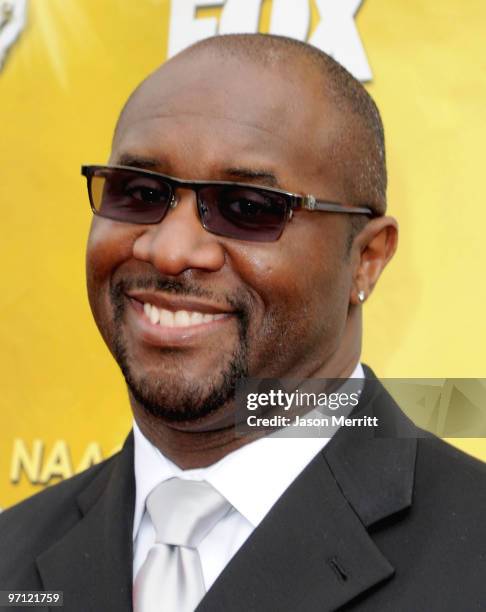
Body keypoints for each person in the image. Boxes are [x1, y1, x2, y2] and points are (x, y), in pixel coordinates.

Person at [0, 33, 485, 612]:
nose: (172, 250)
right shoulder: (13, 556)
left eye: (248, 208)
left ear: (366, 259)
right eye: (140, 192)